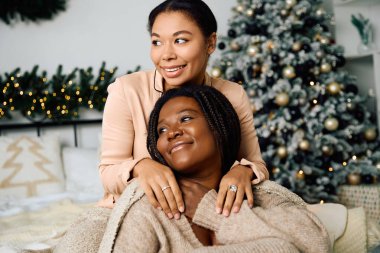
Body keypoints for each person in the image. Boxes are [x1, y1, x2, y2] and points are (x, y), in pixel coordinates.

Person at [98, 85, 330, 253]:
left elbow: (318, 243)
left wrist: (210, 210)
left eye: (186, 119)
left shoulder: (261, 194)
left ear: (219, 125)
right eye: (161, 130)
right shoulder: (150, 202)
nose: (172, 133)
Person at [99, 0, 268, 220]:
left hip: (206, 213)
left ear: (210, 43)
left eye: (180, 40)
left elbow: (257, 164)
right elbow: (108, 171)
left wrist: (242, 171)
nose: (166, 55)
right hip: (134, 215)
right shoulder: (127, 90)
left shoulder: (232, 95)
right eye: (157, 42)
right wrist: (141, 167)